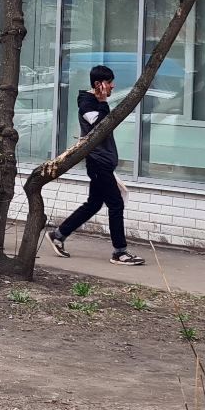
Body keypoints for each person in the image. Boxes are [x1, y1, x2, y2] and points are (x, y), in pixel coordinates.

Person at [47, 65, 145, 265]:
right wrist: (102, 101)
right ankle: (120, 252)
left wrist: (103, 102)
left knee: (94, 204)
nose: (113, 86)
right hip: (98, 163)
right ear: (99, 84)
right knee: (116, 204)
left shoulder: (97, 103)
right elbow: (101, 125)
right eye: (109, 82)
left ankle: (58, 235)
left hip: (103, 163)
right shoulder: (87, 103)